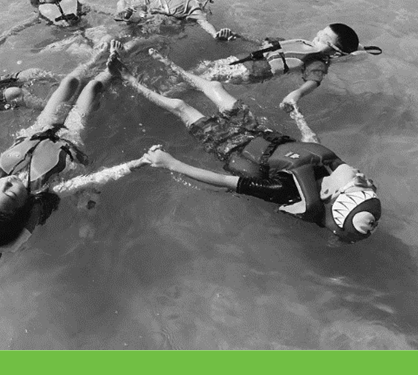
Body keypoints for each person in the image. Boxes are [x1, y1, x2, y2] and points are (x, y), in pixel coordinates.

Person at [116, 47, 382, 244]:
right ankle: (172, 66)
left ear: (330, 193)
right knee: (215, 87)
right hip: (260, 132)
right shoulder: (330, 172)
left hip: (231, 146)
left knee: (181, 106)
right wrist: (297, 115)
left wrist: (170, 163)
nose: (363, 177)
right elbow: (313, 146)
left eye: (358, 183)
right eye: (366, 184)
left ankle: (129, 79)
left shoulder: (285, 190)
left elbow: (223, 181)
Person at [0, 41, 154, 271]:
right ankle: (114, 67)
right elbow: (95, 179)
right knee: (92, 88)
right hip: (70, 137)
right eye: (10, 193)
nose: (6, 182)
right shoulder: (49, 190)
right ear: (23, 206)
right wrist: (139, 163)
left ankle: (97, 57)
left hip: (38, 129)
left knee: (69, 82)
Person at [190, 23, 381, 109]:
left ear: (334, 52)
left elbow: (314, 81)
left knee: (197, 81)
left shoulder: (316, 62)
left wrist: (297, 93)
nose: (318, 37)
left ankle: (177, 90)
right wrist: (237, 36)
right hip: (238, 59)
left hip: (248, 72)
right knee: (200, 70)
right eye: (320, 33)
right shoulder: (302, 44)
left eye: (324, 39)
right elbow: (265, 44)